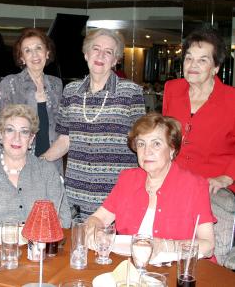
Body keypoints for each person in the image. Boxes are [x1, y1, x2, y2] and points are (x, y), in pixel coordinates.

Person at [42, 28, 145, 217]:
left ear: (115, 60)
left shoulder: (131, 92)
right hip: (76, 193)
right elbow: (65, 140)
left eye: (108, 52)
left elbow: (142, 141)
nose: (101, 56)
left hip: (116, 194)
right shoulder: (71, 91)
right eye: (96, 49)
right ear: (86, 54)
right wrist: (39, 161)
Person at [88, 113, 215, 258]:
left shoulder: (195, 186)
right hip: (130, 268)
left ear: (172, 149)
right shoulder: (128, 179)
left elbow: (208, 245)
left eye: (156, 144)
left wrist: (165, 246)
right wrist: (95, 232)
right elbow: (98, 218)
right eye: (141, 144)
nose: (147, 152)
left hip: (179, 271)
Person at [0, 104, 71, 228]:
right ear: (1, 135)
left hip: (38, 244)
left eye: (24, 132)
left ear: (31, 139)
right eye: (10, 130)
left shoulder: (47, 171)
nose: (17, 138)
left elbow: (64, 218)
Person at [163, 28, 235, 193]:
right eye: (189, 58)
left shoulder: (232, 100)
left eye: (202, 60)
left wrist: (227, 177)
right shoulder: (172, 89)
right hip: (173, 181)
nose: (193, 65)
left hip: (214, 188)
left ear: (215, 67)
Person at [0, 28, 63, 171]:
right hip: (19, 166)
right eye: (27, 50)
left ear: (47, 53)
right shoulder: (11, 84)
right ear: (22, 57)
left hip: (51, 165)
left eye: (38, 48)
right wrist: (0, 168)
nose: (34, 54)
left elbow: (61, 129)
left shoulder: (56, 85)